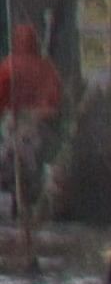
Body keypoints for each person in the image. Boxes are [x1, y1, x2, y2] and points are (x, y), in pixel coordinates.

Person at [3, 22, 61, 221]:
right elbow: (54, 106)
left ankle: (18, 202)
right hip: (38, 128)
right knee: (32, 169)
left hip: (15, 127)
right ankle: (34, 203)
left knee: (14, 166)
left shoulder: (8, 66)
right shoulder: (47, 69)